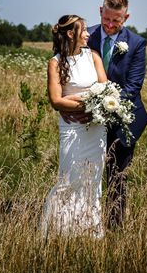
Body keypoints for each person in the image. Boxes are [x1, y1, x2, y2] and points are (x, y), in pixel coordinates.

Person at [41, 14, 108, 238]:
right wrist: (87, 102)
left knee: (93, 179)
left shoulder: (94, 56)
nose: (89, 34)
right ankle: (60, 230)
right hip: (72, 128)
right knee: (69, 178)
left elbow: (105, 89)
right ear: (71, 34)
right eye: (84, 30)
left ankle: (90, 231)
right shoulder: (56, 62)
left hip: (96, 128)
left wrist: (83, 105)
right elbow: (56, 100)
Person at [88, 0, 147, 229]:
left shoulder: (136, 43)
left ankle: (114, 226)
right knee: (88, 172)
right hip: (89, 118)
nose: (111, 25)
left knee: (118, 175)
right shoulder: (85, 36)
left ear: (127, 17)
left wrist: (104, 107)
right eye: (107, 19)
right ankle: (86, 221)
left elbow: (133, 86)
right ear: (100, 11)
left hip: (123, 118)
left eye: (117, 21)